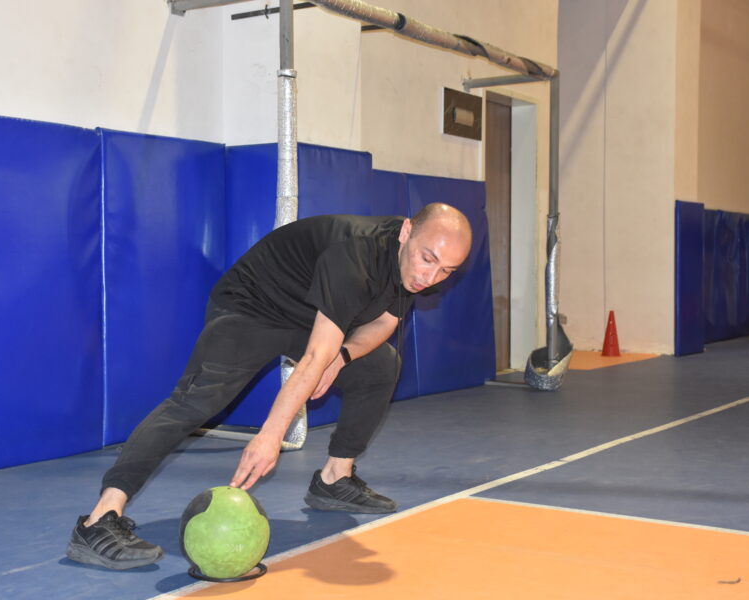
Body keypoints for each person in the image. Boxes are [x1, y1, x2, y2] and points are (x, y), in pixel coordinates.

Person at [66, 202, 473, 570]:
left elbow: (384, 321)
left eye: (446, 271)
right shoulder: (355, 254)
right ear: (406, 232)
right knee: (196, 402)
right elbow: (314, 357)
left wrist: (343, 357)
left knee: (381, 366)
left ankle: (335, 478)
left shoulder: (415, 265)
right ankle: (99, 520)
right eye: (428, 259)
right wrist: (271, 436)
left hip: (306, 317)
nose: (430, 276)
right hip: (252, 306)